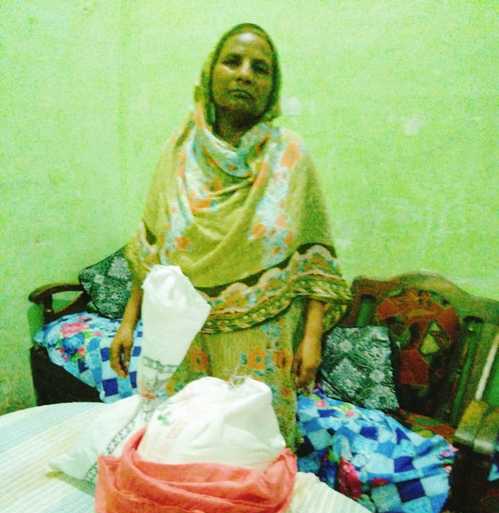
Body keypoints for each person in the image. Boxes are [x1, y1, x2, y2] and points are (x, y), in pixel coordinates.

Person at [110, 23, 351, 447]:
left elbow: (315, 257)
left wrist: (312, 339)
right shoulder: (178, 151)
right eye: (233, 62)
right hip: (182, 335)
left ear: (272, 86)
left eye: (260, 68)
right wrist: (127, 324)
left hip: (260, 342)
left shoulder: (290, 157)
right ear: (210, 72)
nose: (244, 75)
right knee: (184, 441)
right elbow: (151, 249)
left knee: (251, 447)